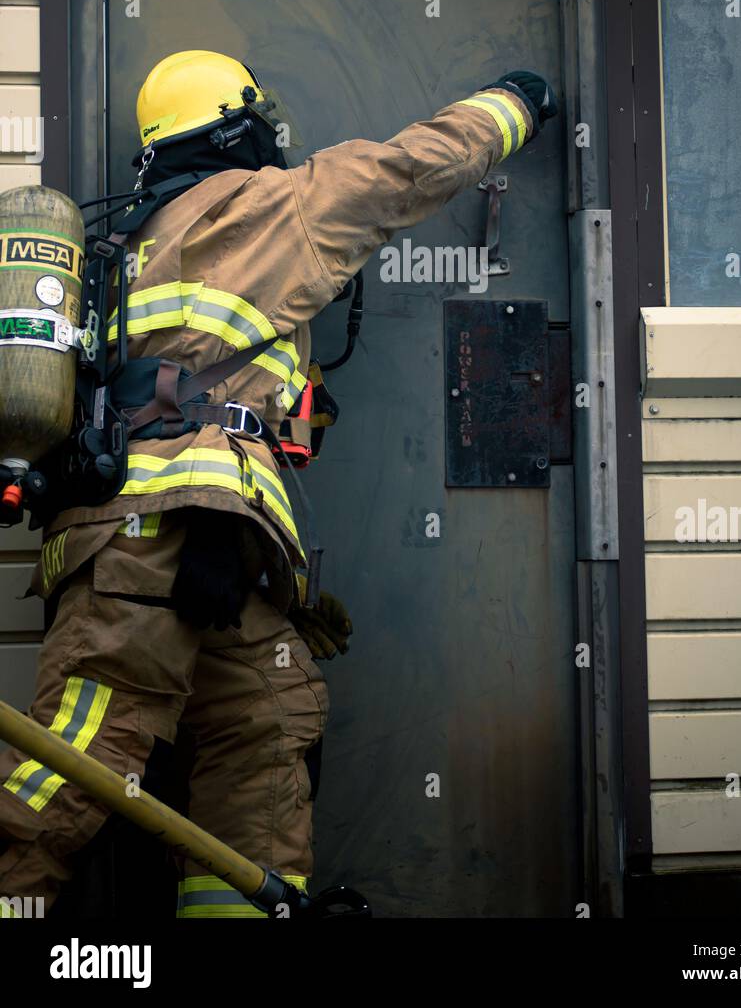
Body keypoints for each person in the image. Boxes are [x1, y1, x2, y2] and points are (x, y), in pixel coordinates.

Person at [0, 50, 557, 917]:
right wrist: (515, 104)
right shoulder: (271, 206)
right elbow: (414, 165)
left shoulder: (118, 249)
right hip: (162, 539)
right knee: (74, 762)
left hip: (221, 548)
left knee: (264, 737)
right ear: (237, 124)